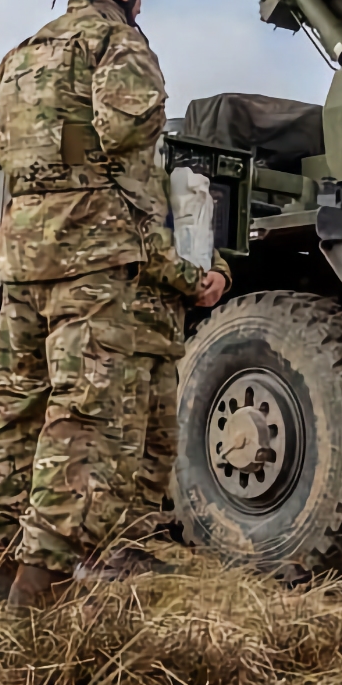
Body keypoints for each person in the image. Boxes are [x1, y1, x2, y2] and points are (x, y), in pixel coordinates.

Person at [0, 0, 174, 612]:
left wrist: (47, 142)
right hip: (90, 253)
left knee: (17, 406)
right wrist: (80, 147)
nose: (138, 3)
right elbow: (125, 129)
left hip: (22, 254)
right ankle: (40, 581)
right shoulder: (118, 42)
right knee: (79, 410)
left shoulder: (22, 53)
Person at [117, 163, 228, 556]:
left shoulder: (168, 183)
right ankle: (103, 546)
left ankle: (133, 546)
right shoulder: (120, 180)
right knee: (121, 446)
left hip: (166, 339)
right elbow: (140, 247)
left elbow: (195, 238)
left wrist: (218, 274)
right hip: (124, 335)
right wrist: (192, 280)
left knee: (158, 448)